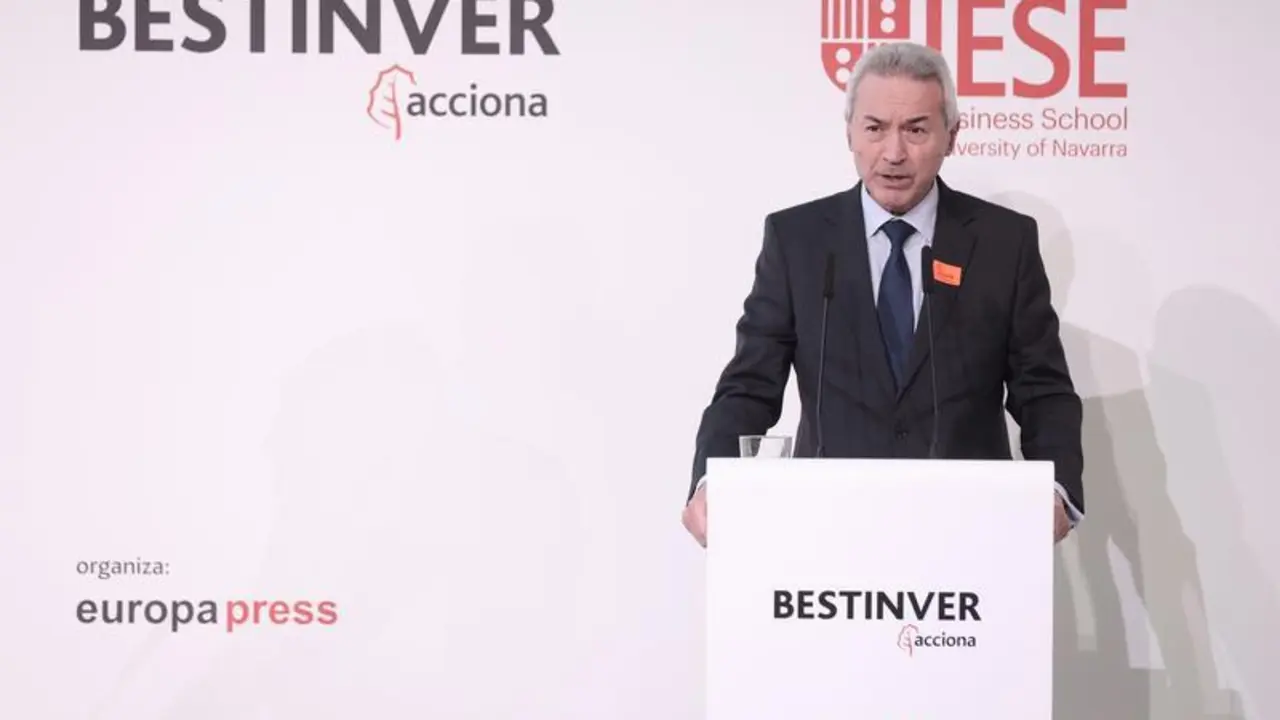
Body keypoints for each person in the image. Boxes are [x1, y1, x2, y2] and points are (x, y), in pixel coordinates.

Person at [682, 41, 1083, 547]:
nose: (894, 154)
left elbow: (1042, 391)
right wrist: (711, 481)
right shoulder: (798, 240)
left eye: (916, 130)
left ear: (951, 136)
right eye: (875, 129)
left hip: (969, 531)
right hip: (827, 529)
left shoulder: (1004, 242)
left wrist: (1057, 490)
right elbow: (749, 385)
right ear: (850, 132)